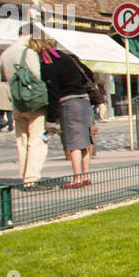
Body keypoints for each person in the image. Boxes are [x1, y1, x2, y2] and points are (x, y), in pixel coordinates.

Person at [32, 32, 96, 188]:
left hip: (69, 104)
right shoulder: (69, 58)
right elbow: (88, 73)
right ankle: (86, 176)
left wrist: (51, 119)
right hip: (84, 101)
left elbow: (53, 94)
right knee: (86, 140)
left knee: (73, 142)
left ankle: (77, 178)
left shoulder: (48, 65)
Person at [0, 34, 49, 189]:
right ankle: (32, 178)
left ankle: (24, 174)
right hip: (33, 102)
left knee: (22, 140)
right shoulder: (28, 53)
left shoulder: (4, 54)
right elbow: (37, 75)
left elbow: (6, 77)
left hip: (17, 102)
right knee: (37, 139)